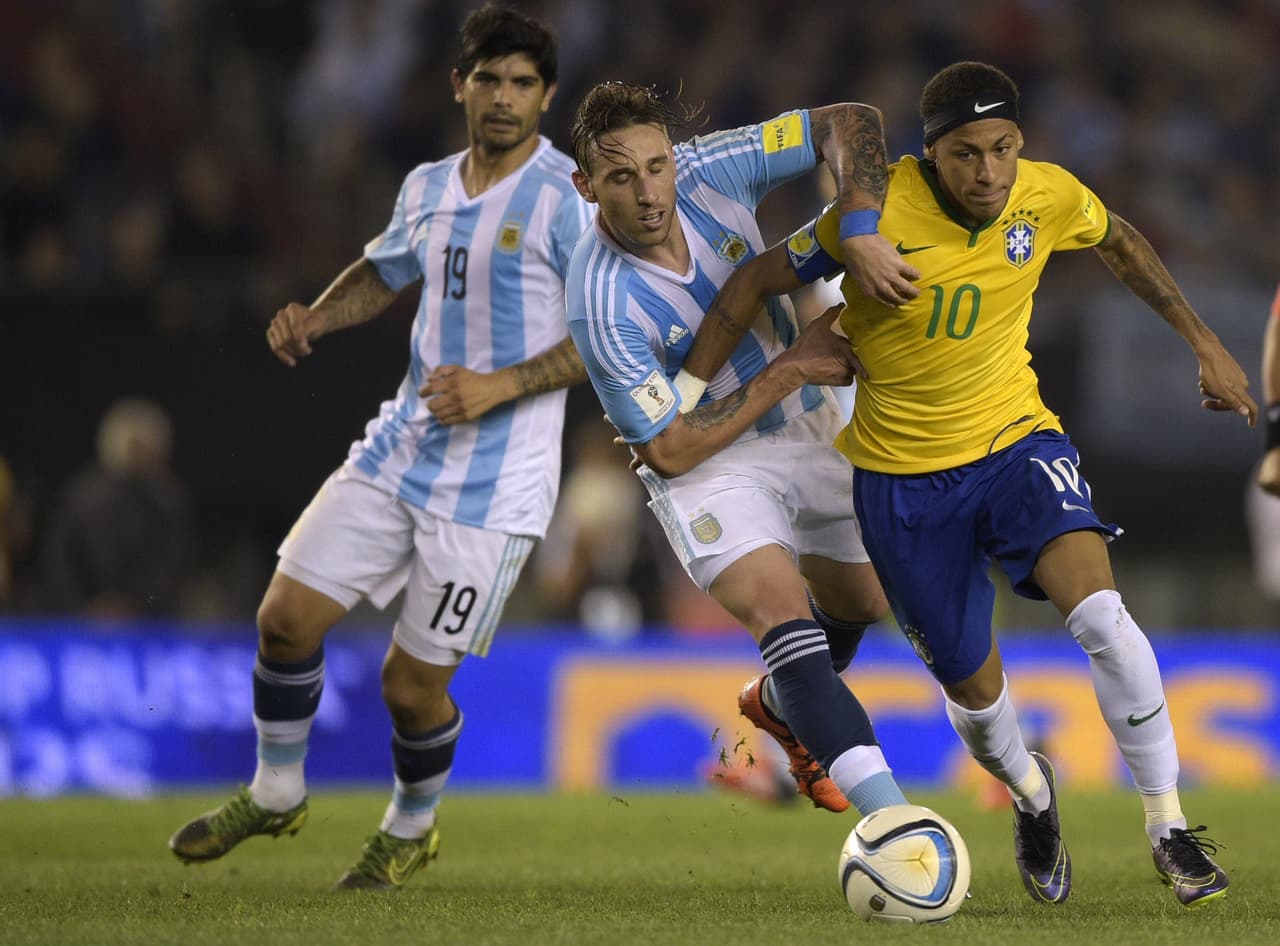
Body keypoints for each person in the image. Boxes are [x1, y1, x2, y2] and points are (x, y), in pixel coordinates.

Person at [681, 61, 1256, 908]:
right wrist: (693, 401)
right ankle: (1031, 793)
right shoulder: (869, 218)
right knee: (977, 698)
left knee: (1101, 613)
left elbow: (1119, 239)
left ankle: (1168, 827)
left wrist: (1202, 342)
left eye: (1004, 150)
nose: (989, 173)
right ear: (929, 154)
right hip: (902, 485)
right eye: (966, 154)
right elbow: (758, 279)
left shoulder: (1045, 194)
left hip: (1017, 442)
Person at [168, 5, 591, 891]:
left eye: (522, 84)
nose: (505, 99)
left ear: (546, 97)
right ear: (459, 85)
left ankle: (411, 824)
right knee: (282, 620)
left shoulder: (567, 200)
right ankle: (276, 790)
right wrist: (318, 314)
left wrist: (499, 384)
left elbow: (605, 338)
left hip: (495, 486)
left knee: (409, 688)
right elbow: (384, 269)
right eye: (489, 80)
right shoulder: (428, 185)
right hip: (398, 448)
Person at [565, 81, 921, 820]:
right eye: (621, 177)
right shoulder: (600, 299)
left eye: (656, 165)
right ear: (586, 185)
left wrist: (856, 224)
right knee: (785, 618)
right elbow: (667, 449)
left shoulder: (708, 168)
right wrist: (791, 366)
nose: (649, 191)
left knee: (867, 603)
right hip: (707, 465)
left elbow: (851, 119)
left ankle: (779, 707)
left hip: (810, 423)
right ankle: (895, 824)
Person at [38, 397, 193, 618]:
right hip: (81, 619)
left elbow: (173, 565)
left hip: (149, 621)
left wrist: (133, 606)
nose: (138, 454)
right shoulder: (81, 496)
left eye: (145, 446)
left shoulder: (170, 501)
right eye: (133, 445)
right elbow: (61, 562)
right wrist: (87, 607)